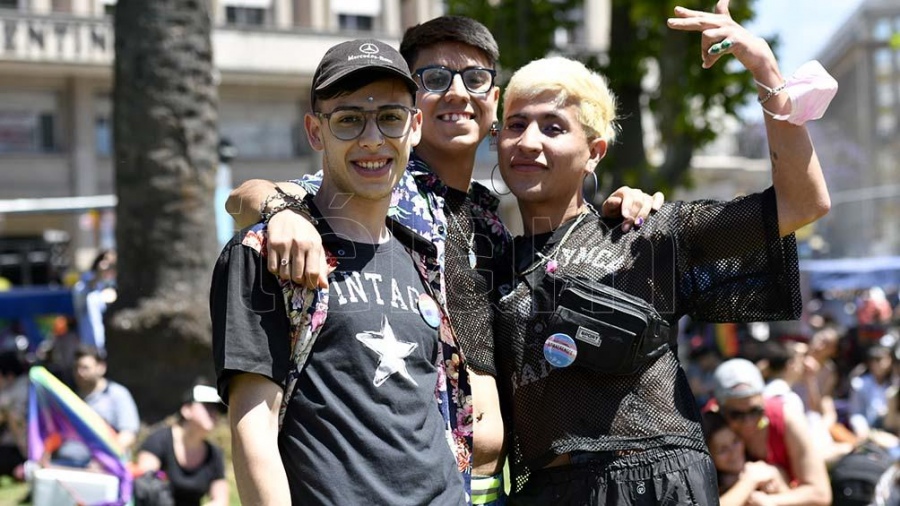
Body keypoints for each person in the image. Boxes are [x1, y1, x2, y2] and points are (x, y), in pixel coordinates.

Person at [224, 16, 662, 504]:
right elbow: (251, 193)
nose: (457, 92)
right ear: (414, 110)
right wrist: (279, 211)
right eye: (433, 79)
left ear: (493, 101)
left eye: (475, 78)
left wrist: (618, 208)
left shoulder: (490, 223)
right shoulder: (380, 185)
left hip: (497, 485)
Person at [490, 1, 833, 503]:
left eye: (554, 126)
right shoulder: (483, 259)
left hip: (659, 480)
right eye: (515, 124)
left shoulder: (648, 233)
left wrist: (766, 71)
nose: (528, 141)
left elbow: (802, 203)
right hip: (546, 489)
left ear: (595, 152)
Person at [211, 38, 467, 505]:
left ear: (414, 127)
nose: (372, 139)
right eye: (349, 120)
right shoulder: (264, 252)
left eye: (389, 117)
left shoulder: (423, 257)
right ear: (315, 131)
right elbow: (253, 429)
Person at [710, 358, 831, 505]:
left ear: (763, 399)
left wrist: (770, 501)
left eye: (755, 411)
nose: (748, 422)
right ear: (720, 409)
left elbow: (820, 494)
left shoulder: (786, 419)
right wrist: (748, 482)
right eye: (736, 415)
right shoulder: (712, 425)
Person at [136, 383, 229, 506]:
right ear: (186, 409)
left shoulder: (214, 454)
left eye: (217, 409)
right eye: (207, 407)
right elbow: (144, 487)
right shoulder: (159, 440)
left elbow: (220, 501)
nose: (214, 413)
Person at [52, 344, 140, 468]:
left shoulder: (117, 394)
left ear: (101, 368)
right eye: (76, 368)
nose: (79, 373)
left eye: (85, 368)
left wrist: (103, 459)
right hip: (70, 461)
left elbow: (129, 434)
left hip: (105, 464)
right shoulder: (72, 397)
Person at [701, 409, 789, 505]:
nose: (733, 452)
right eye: (723, 450)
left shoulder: (766, 470)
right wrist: (750, 480)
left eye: (735, 441)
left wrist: (775, 495)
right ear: (709, 457)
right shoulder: (706, 491)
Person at [72, 249, 117, 351]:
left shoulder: (117, 287)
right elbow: (81, 300)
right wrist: (98, 276)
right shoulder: (84, 287)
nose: (109, 268)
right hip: (91, 345)